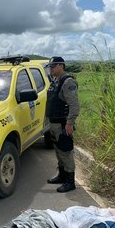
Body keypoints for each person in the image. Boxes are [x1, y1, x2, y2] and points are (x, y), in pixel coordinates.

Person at [45, 56, 80, 192]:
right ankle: (62, 175)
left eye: (53, 66)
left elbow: (74, 105)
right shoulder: (56, 81)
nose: (51, 69)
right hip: (54, 124)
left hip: (63, 124)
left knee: (66, 152)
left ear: (61, 66)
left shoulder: (68, 82)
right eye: (50, 66)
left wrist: (70, 123)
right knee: (58, 151)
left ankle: (70, 182)